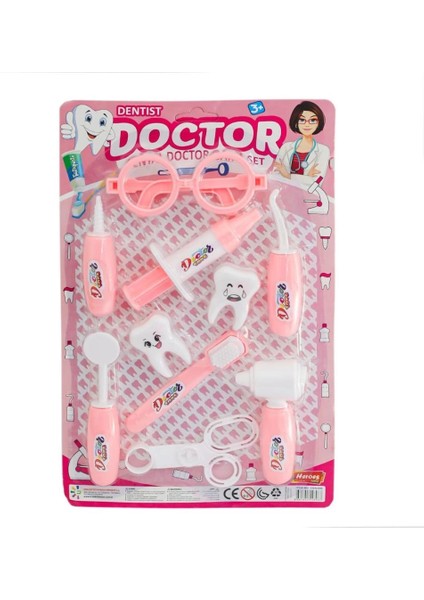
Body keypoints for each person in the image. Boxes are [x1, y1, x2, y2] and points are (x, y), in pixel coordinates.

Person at [273, 101, 330, 187]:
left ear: (318, 123)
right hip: (283, 193)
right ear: (296, 123)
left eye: (312, 120)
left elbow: (317, 181)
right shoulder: (286, 147)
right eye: (302, 120)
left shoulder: (323, 150)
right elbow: (275, 176)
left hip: (307, 194)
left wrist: (287, 175)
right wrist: (306, 177)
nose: (307, 124)